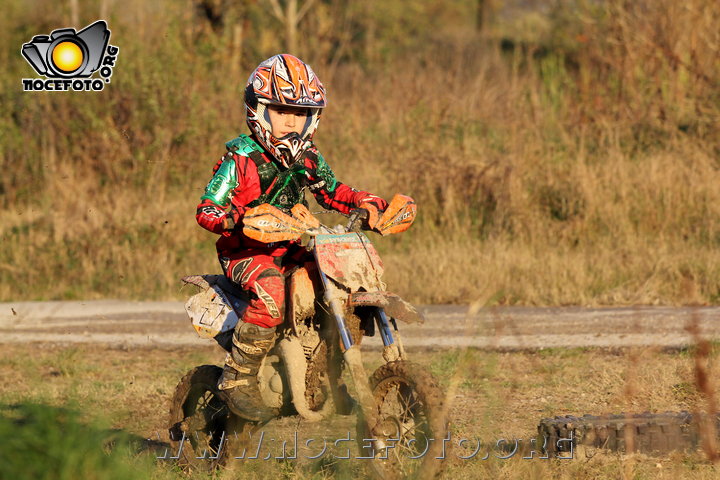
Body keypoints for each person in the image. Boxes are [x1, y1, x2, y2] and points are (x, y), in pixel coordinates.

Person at [195, 54, 388, 421]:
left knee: (341, 290)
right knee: (272, 293)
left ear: (312, 118)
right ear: (259, 110)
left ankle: (326, 376)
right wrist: (239, 218)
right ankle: (238, 379)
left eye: (300, 113)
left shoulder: (307, 156)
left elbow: (331, 192)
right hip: (244, 252)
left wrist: (367, 201)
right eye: (282, 111)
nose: (291, 120)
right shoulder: (240, 158)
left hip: (292, 247)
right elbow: (207, 210)